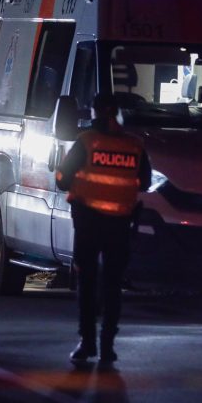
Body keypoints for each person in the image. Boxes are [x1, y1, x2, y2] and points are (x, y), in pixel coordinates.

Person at [55, 92, 151, 367]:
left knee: (86, 282)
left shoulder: (87, 141)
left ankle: (87, 343)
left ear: (94, 113)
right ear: (118, 113)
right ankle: (108, 347)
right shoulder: (135, 145)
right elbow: (144, 181)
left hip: (87, 221)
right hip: (120, 223)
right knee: (112, 285)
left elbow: (62, 179)